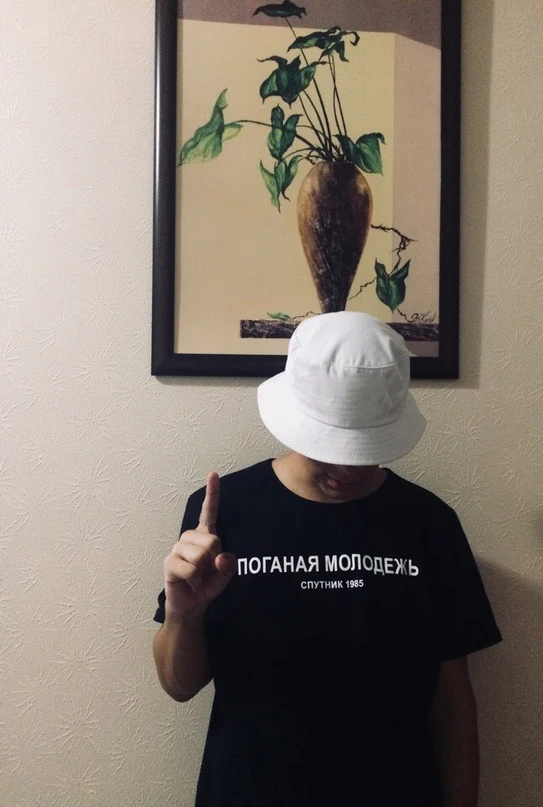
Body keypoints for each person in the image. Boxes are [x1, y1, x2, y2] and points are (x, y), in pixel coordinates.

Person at [152, 311, 502, 807]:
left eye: (363, 448)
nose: (346, 468)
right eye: (330, 444)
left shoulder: (429, 523)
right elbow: (179, 685)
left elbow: (453, 703)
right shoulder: (222, 512)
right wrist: (184, 614)